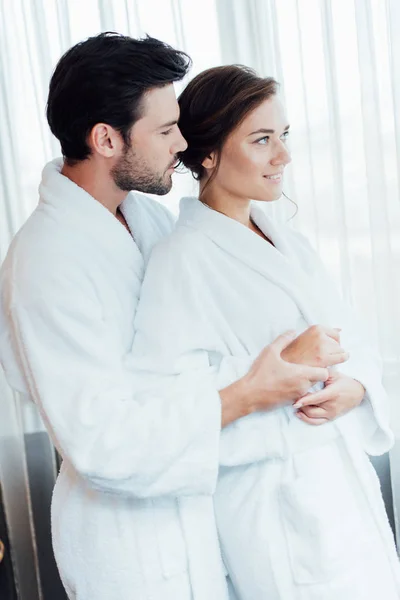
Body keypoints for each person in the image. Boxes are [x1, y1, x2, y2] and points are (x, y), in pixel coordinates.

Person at [0, 34, 348, 600]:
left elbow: (187, 361)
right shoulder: (46, 264)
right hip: (128, 549)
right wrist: (248, 394)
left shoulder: (146, 221)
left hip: (197, 521)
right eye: (165, 131)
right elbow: (103, 443)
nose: (182, 143)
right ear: (106, 139)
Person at [131, 64, 400, 599]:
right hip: (277, 515)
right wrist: (278, 374)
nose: (284, 156)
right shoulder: (181, 260)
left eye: (284, 136)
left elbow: (354, 340)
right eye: (261, 140)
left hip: (344, 497)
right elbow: (164, 402)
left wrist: (358, 387)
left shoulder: (286, 239)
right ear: (207, 154)